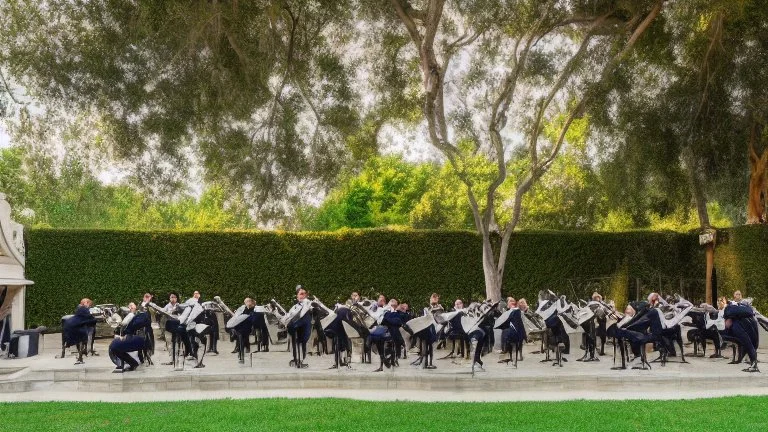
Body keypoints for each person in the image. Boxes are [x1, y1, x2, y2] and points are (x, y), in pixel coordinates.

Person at [61, 298, 97, 364]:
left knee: (82, 337)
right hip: (77, 328)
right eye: (89, 304)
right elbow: (89, 318)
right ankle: (85, 352)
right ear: (85, 303)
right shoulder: (83, 308)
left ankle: (80, 356)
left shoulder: (79, 308)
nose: (90, 306)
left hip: (71, 326)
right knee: (88, 332)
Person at [284, 286, 312, 368]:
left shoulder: (308, 303)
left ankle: (300, 360)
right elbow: (289, 315)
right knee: (296, 342)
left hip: (305, 326)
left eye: (303, 294)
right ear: (297, 296)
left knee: (302, 342)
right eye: (300, 294)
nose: (302, 296)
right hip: (295, 326)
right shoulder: (295, 306)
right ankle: (297, 359)